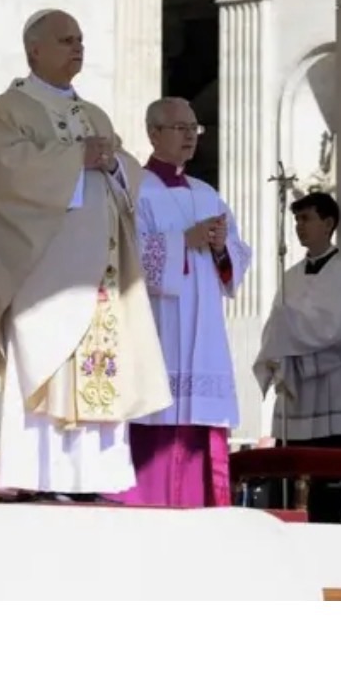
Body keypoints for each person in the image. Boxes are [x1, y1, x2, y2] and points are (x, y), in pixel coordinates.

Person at [0, 9, 172, 501]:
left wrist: (113, 164)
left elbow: (125, 172)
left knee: (98, 368)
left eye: (81, 40)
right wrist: (77, 159)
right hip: (43, 269)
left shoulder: (94, 114)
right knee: (43, 364)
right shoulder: (12, 108)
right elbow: (2, 172)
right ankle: (36, 477)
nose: (78, 47)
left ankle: (91, 479)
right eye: (66, 40)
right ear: (34, 49)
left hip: (101, 272)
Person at [114, 97, 252, 507]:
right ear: (154, 133)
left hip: (204, 322)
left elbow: (239, 258)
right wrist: (181, 242)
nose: (191, 135)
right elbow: (124, 252)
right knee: (156, 408)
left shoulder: (207, 193)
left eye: (195, 128)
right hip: (160, 322)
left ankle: (200, 500)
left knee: (199, 416)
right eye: (180, 128)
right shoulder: (135, 188)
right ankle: (147, 497)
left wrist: (221, 246)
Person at [253, 191, 341, 523]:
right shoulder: (290, 276)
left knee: (332, 481)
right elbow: (275, 328)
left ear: (328, 223)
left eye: (306, 219)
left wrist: (298, 338)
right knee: (291, 481)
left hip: (333, 386)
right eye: (296, 220)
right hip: (296, 394)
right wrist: (280, 356)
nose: (299, 227)